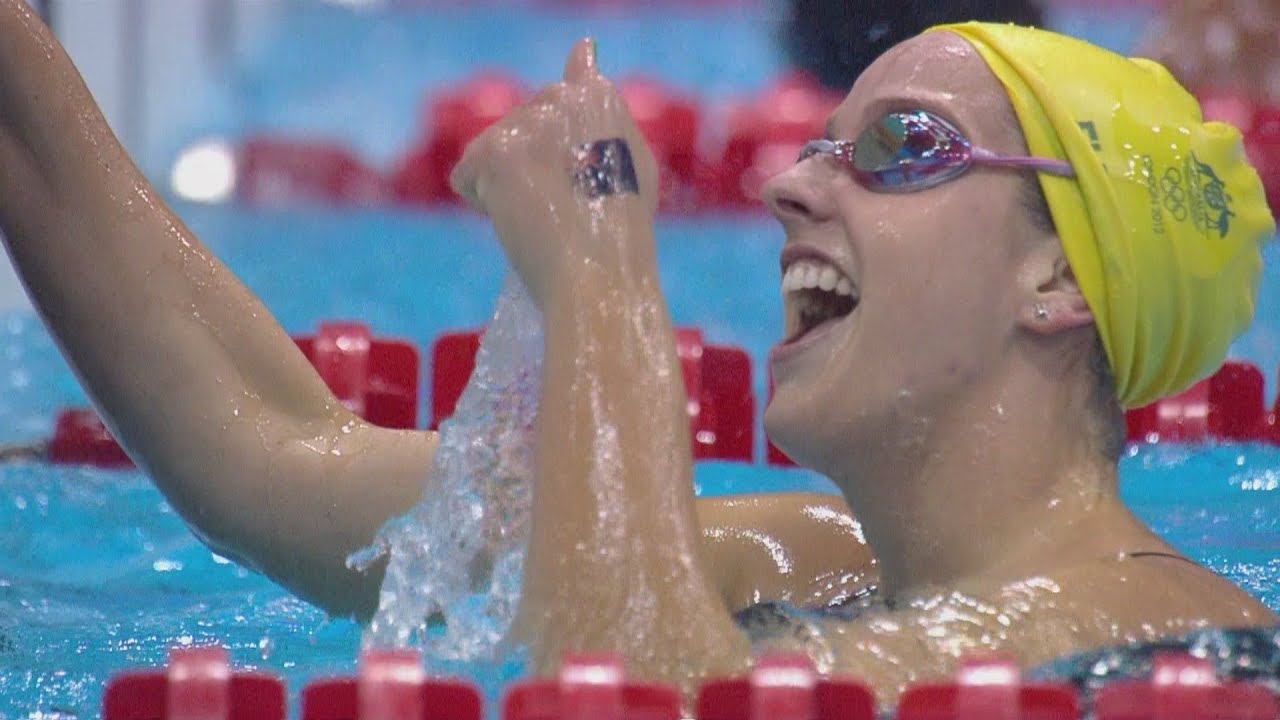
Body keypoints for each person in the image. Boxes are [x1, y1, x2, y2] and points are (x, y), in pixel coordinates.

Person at [0, 0, 1275, 702]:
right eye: (815, 146)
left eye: (897, 149)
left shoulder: (1162, 637)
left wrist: (599, 263)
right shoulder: (823, 564)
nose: (787, 188)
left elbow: (629, 696)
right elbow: (273, 455)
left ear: (1057, 277)